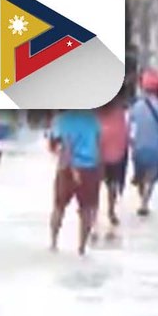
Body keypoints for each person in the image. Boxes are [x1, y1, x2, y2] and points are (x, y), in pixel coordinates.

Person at [49, 107, 103, 255]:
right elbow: (98, 146)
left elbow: (58, 146)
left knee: (59, 207)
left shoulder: (61, 120)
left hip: (67, 168)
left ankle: (53, 244)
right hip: (90, 168)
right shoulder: (93, 119)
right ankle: (82, 248)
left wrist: (71, 168)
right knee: (86, 210)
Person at [129, 69, 158, 217]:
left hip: (138, 147)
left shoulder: (136, 106)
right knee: (151, 177)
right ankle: (145, 202)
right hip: (155, 148)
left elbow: (130, 125)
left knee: (140, 176)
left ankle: (142, 198)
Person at [97, 89, 130, 234]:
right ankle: (110, 212)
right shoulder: (120, 112)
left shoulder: (96, 113)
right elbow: (125, 133)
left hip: (98, 154)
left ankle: (94, 212)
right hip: (116, 154)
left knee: (97, 185)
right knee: (112, 186)